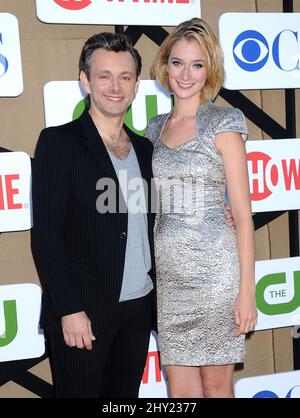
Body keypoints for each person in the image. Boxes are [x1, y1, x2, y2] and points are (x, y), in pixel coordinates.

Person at [31, 32, 156, 398]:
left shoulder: (146, 148)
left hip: (138, 307)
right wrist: (69, 309)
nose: (115, 86)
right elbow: (47, 236)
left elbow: (158, 216)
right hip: (84, 311)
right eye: (104, 76)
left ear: (136, 85)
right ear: (85, 81)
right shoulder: (59, 143)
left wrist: (222, 211)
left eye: (125, 77)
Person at [145, 18, 258, 398]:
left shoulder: (224, 122)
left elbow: (242, 215)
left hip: (215, 277)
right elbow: (153, 203)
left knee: (215, 385)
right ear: (165, 65)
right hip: (171, 280)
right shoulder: (153, 129)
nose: (186, 74)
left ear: (209, 69)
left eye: (197, 64)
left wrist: (246, 292)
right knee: (181, 394)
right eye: (178, 62)